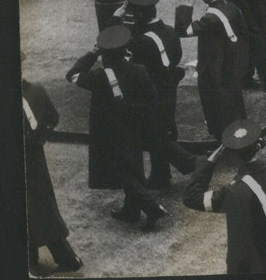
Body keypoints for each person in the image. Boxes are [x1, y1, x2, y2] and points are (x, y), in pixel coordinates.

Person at [66, 25, 167, 229]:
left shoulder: (99, 76)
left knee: (123, 172)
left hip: (109, 131)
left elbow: (73, 75)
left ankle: (151, 208)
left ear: (104, 54)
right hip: (134, 126)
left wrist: (92, 54)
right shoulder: (138, 70)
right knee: (134, 167)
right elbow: (151, 98)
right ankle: (131, 210)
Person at [183, 119, 266, 274]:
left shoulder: (232, 192)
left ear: (232, 155)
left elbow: (191, 197)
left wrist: (210, 161)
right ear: (258, 146)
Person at [123, 0, 197, 189]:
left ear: (139, 15)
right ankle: (160, 175)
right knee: (162, 130)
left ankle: (192, 164)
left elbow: (132, 68)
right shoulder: (170, 32)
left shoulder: (140, 41)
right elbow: (177, 56)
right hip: (169, 90)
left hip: (150, 94)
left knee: (155, 135)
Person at [23, 53, 83, 273]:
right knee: (42, 204)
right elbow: (53, 119)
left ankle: (31, 261)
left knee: (28, 207)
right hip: (35, 157)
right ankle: (65, 258)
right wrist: (40, 137)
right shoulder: (36, 90)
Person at [175, 0, 249, 141]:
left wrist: (188, 4)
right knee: (234, 101)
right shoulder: (232, 8)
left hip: (213, 69)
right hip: (232, 63)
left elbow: (182, 30)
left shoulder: (210, 19)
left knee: (215, 106)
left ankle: (222, 138)